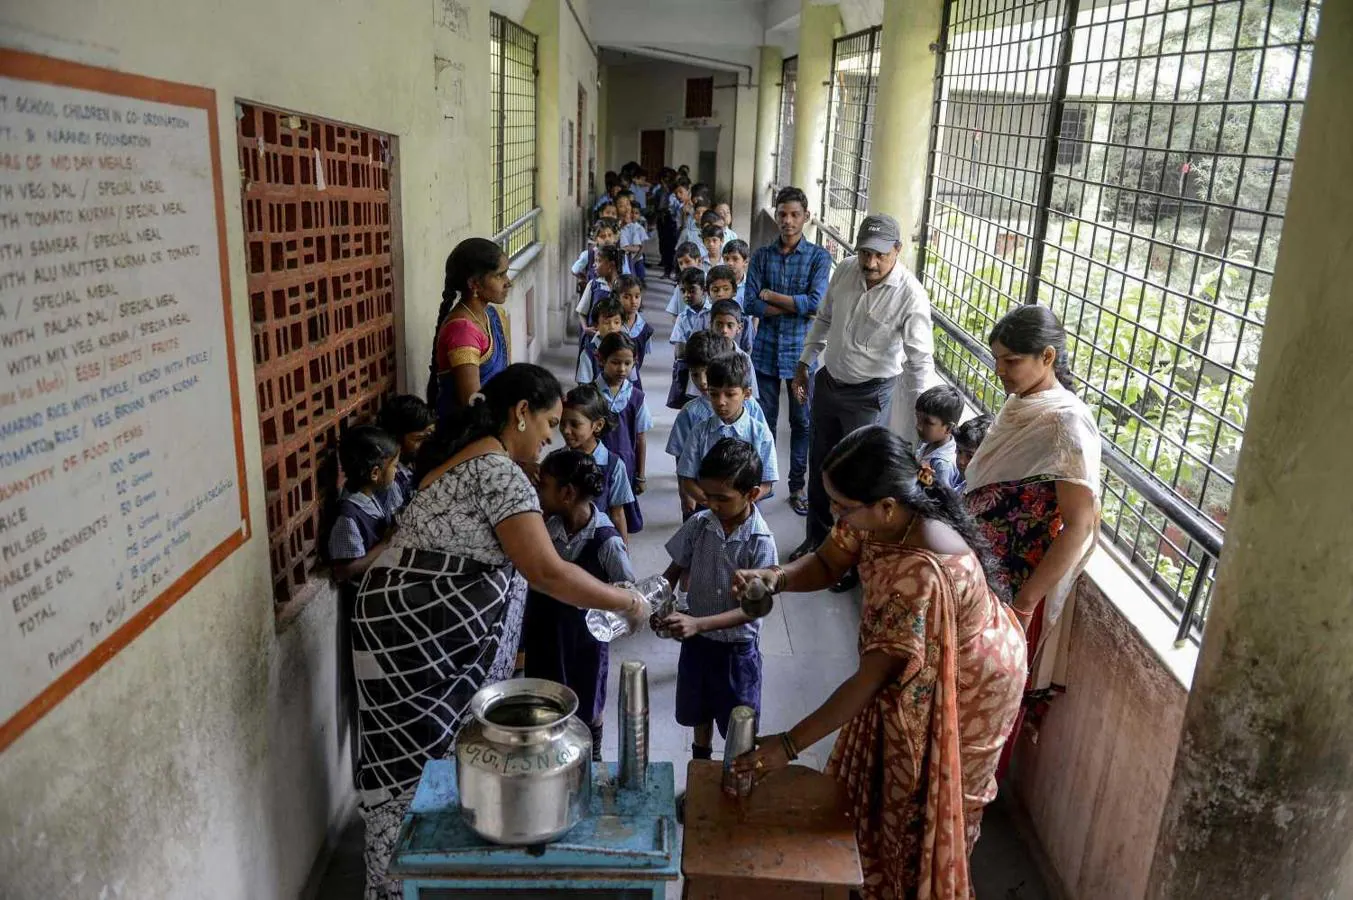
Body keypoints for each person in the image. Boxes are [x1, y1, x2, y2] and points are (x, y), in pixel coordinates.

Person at [352, 365, 650, 900]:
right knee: (411, 771)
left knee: (419, 764)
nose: (550, 437)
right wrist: (628, 600)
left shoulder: (476, 460)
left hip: (409, 628)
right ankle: (399, 884)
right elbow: (548, 572)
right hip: (416, 642)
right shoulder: (498, 473)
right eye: (549, 423)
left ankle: (413, 879)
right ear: (520, 413)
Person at [731, 426, 1026, 900]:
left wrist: (787, 746)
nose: (834, 515)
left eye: (842, 507)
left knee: (932, 801)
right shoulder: (876, 511)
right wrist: (776, 577)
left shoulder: (921, 572)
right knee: (890, 779)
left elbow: (872, 678)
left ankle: (921, 882)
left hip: (973, 680)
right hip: (916, 655)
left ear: (886, 506)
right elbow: (829, 563)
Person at [962, 306, 1100, 773]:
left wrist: (1023, 604)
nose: (999, 371)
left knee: (987, 698)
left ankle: (967, 801)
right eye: (997, 359)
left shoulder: (1065, 424)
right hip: (983, 573)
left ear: (1047, 356)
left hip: (1016, 585)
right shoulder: (1022, 403)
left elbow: (1079, 526)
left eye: (1010, 361)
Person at [792, 213, 936, 590]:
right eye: (864, 254)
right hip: (828, 383)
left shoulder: (910, 295)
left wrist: (928, 422)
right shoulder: (843, 272)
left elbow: (920, 361)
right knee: (820, 464)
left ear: (897, 252)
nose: (870, 264)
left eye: (879, 256)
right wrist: (806, 361)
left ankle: (847, 563)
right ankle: (816, 543)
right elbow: (823, 319)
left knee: (855, 482)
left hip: (868, 396)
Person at [662, 437, 777, 762]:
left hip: (736, 653)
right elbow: (675, 567)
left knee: (738, 723)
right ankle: (701, 764)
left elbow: (750, 613)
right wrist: (658, 598)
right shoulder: (700, 524)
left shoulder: (761, 542)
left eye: (722, 499)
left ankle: (734, 775)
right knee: (699, 709)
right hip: (698, 645)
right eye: (706, 495)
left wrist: (696, 623)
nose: (711, 504)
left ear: (752, 494)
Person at [524, 449, 636, 760]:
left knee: (587, 701)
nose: (537, 490)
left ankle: (592, 755)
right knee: (544, 697)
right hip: (545, 635)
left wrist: (608, 624)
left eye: (543, 485)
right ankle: (548, 755)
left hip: (586, 642)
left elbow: (628, 592)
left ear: (567, 493)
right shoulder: (547, 527)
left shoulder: (607, 541)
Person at [744, 186, 831, 518]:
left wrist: (771, 295)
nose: (788, 221)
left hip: (801, 359)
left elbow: (815, 304)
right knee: (762, 422)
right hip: (764, 354)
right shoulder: (763, 255)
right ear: (776, 215)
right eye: (782, 214)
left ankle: (797, 487)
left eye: (795, 214)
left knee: (801, 422)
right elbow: (749, 303)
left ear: (806, 218)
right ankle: (760, 484)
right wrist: (792, 306)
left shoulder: (819, 258)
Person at [427, 238, 513, 438]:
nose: (508, 282)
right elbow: (473, 404)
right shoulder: (462, 330)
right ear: (474, 283)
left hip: (494, 425)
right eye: (500, 275)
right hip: (466, 437)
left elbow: (506, 378)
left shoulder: (494, 315)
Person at [677, 353, 777, 504]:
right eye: (714, 394)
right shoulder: (699, 432)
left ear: (747, 394)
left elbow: (767, 484)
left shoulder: (761, 434)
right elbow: (687, 479)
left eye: (730, 394)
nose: (721, 402)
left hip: (747, 510)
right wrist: (712, 503)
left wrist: (739, 504)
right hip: (707, 508)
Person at [560, 384, 635, 546]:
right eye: (562, 423)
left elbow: (617, 514)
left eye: (574, 424)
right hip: (561, 543)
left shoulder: (613, 465)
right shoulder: (556, 461)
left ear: (598, 425)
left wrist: (623, 552)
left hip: (596, 545)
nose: (566, 430)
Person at [328, 425, 403, 582]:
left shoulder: (372, 496)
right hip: (368, 595)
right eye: (394, 466)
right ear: (375, 473)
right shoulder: (348, 516)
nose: (396, 471)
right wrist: (385, 543)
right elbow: (343, 572)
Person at [595, 332, 651, 534]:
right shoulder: (591, 394)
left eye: (628, 363)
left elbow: (640, 438)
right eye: (615, 362)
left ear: (635, 362)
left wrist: (641, 475)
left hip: (626, 465)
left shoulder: (636, 397)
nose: (622, 369)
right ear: (600, 359)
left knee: (620, 516)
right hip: (596, 464)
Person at [376, 395, 435, 507]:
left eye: (427, 437)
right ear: (396, 437)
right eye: (418, 439)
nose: (424, 444)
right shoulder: (391, 481)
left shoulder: (413, 461)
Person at [667, 266, 711, 410]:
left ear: (704, 290)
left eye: (692, 290)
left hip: (710, 369)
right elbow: (679, 351)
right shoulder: (682, 318)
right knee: (690, 408)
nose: (687, 295)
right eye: (683, 291)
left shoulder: (713, 313)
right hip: (690, 371)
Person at [915, 385, 965, 491]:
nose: (918, 426)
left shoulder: (942, 465)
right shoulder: (929, 440)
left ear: (948, 428)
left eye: (928, 423)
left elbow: (941, 499)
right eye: (918, 418)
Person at [575, 296, 626, 386]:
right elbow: (584, 386)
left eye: (617, 322)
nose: (612, 327)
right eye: (606, 322)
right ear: (596, 325)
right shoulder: (589, 353)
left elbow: (633, 381)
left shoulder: (627, 350)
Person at [615, 274, 654, 388]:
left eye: (637, 296)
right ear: (618, 297)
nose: (633, 301)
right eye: (627, 297)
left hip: (633, 378)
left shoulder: (645, 329)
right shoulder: (613, 326)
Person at [665, 242, 708, 317]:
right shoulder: (681, 285)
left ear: (699, 261)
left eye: (687, 261)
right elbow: (675, 313)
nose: (684, 266)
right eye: (680, 263)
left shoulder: (708, 281)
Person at [953, 413, 994, 489]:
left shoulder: (979, 493)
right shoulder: (965, 478)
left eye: (970, 456)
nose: (961, 461)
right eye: (959, 451)